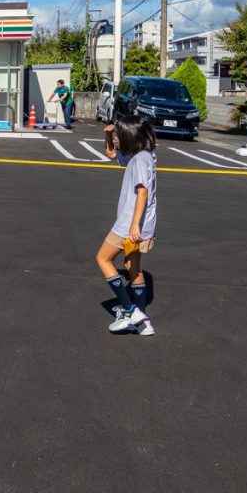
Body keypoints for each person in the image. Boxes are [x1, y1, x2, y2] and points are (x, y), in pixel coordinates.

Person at [94, 115, 157, 336]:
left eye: (118, 135)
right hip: (145, 224)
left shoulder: (138, 160)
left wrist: (133, 226)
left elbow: (142, 192)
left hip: (129, 225)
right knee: (132, 267)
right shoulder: (146, 155)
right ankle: (143, 323)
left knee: (103, 259)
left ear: (130, 136)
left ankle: (130, 311)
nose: (116, 138)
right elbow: (111, 154)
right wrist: (107, 136)